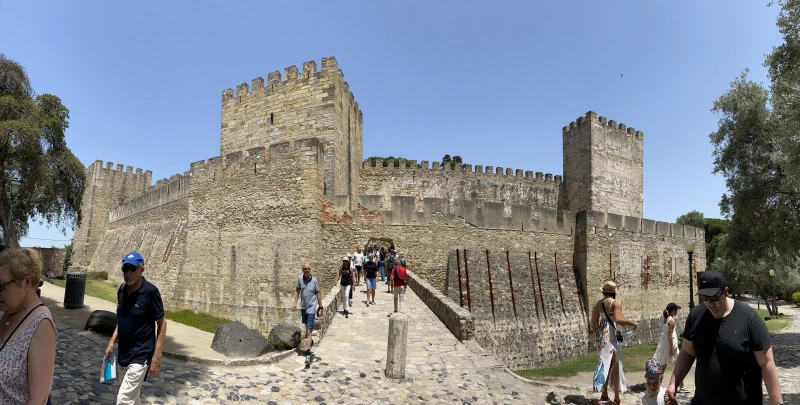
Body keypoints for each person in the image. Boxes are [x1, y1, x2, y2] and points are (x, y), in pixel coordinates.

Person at [665, 271, 783, 405]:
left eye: (714, 297)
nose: (709, 302)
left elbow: (766, 363)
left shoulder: (749, 319)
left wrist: (777, 402)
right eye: (704, 297)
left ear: (725, 292)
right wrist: (673, 383)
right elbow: (687, 351)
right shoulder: (696, 316)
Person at [105, 251, 167, 405]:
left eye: (132, 269)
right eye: (125, 269)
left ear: (142, 270)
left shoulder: (150, 292)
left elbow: (162, 324)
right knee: (133, 396)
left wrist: (157, 356)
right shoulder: (122, 290)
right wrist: (112, 341)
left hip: (141, 353)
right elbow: (123, 319)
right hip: (124, 352)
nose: (128, 273)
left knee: (124, 400)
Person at [0, 248, 57, 405]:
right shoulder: (6, 311)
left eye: (1, 286)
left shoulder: (41, 325)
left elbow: (38, 400)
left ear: (26, 282)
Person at [590, 281, 637, 404]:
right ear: (614, 292)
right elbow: (618, 319)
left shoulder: (599, 304)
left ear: (603, 292)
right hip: (611, 334)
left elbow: (594, 322)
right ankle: (616, 397)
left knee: (605, 364)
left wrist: (596, 335)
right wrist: (632, 323)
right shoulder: (616, 302)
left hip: (601, 334)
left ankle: (604, 394)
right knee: (615, 365)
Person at [292, 263, 322, 368]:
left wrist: (321, 307)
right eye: (305, 269)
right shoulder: (300, 279)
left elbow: (318, 294)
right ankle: (311, 342)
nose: (307, 270)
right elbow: (297, 291)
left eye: (309, 269)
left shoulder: (314, 281)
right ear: (302, 270)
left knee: (309, 331)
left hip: (311, 308)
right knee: (306, 328)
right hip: (303, 307)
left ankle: (308, 354)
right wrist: (295, 303)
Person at [652, 303, 687, 394]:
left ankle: (657, 384)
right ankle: (682, 386)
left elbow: (668, 334)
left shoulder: (666, 319)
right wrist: (672, 348)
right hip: (670, 345)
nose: (677, 312)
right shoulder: (671, 321)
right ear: (673, 311)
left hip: (665, 344)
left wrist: (676, 341)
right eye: (676, 310)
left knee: (663, 366)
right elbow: (670, 335)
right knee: (679, 365)